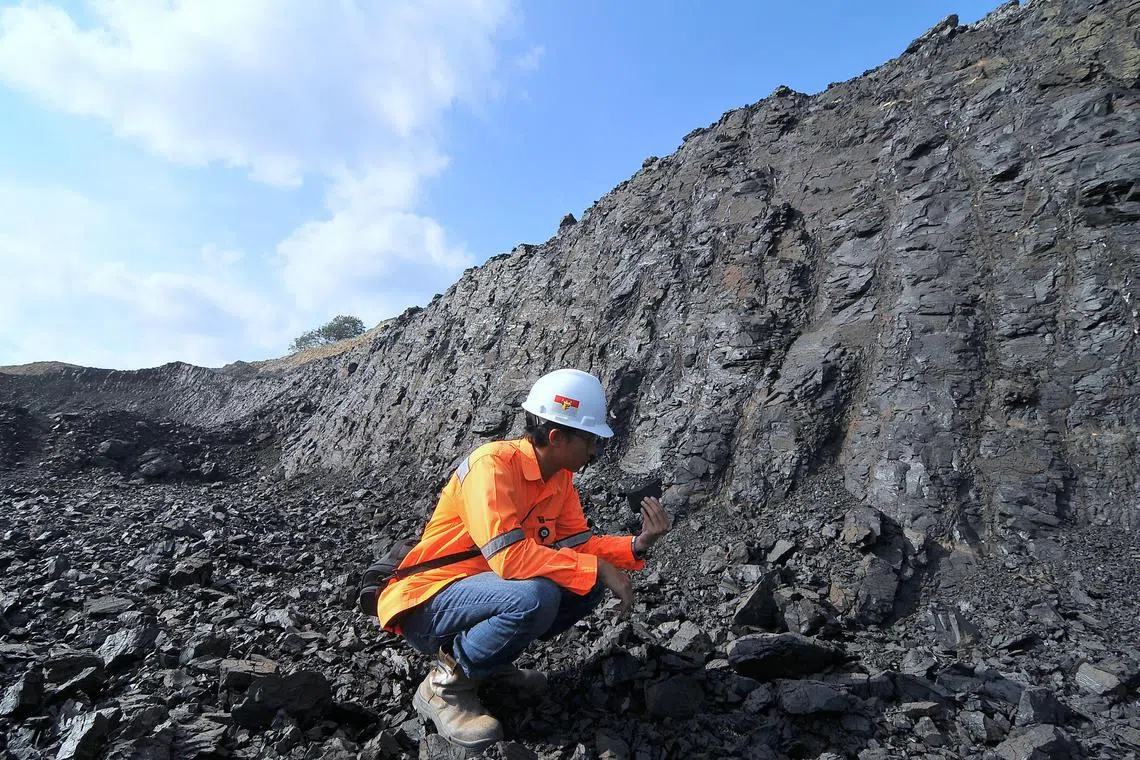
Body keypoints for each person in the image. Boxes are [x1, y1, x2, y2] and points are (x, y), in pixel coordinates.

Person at [375, 368, 672, 750]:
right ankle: (444, 686)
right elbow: (509, 559)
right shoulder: (492, 465)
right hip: (429, 601)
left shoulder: (560, 479)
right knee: (536, 596)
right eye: (591, 440)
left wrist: (637, 544)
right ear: (557, 437)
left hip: (484, 597)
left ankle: (489, 668)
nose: (596, 451)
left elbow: (579, 548)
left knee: (579, 585)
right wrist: (596, 567)